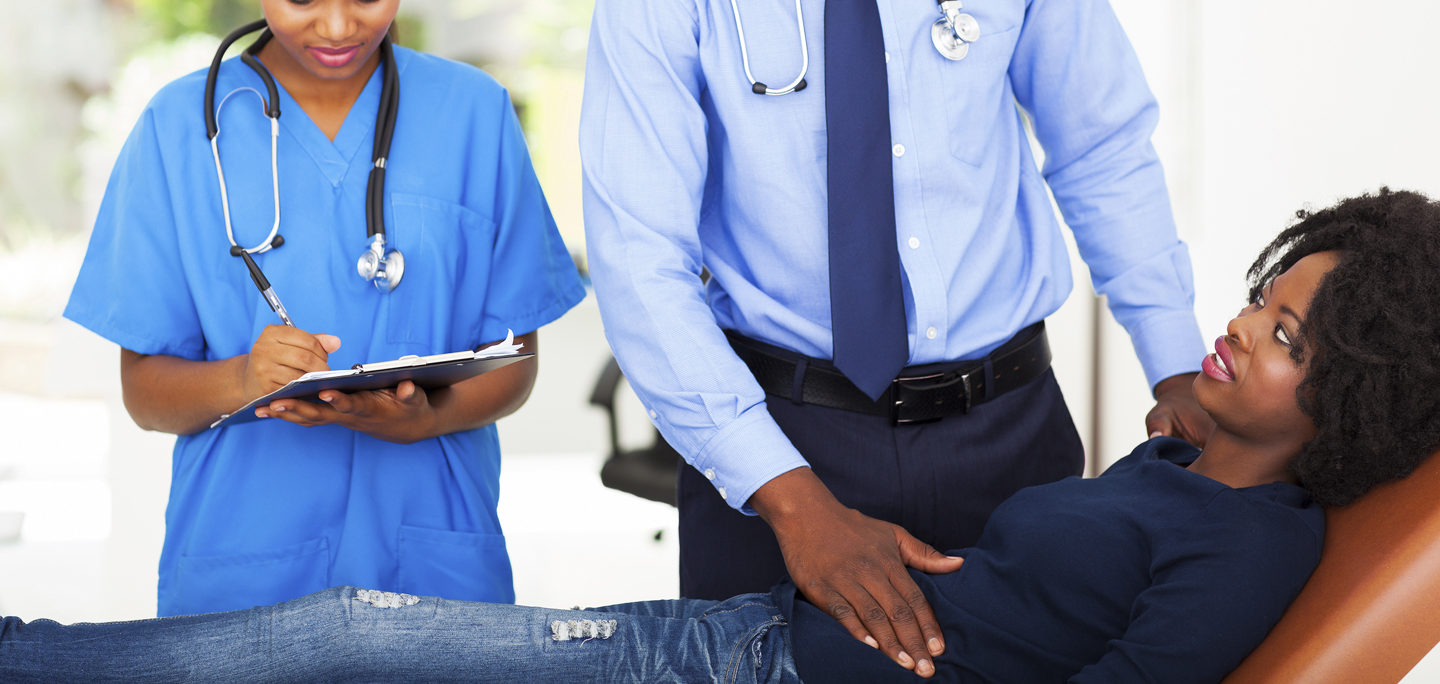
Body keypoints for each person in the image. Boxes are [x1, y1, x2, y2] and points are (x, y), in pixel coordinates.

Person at [8, 187, 1440, 683]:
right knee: (348, 641)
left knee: (346, 642)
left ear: (1360, 399)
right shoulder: (1189, 460)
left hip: (760, 668)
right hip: (752, 644)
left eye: (1290, 336)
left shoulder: (1245, 554)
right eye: (1265, 294)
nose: (1244, 324)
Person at [579, 0, 1211, 650]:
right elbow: (637, 259)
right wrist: (790, 499)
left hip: (1009, 431)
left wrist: (1176, 365)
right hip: (778, 434)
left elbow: (1098, 146)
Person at [62, 0, 585, 616]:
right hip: (241, 570)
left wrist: (421, 421)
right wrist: (240, 378)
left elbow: (516, 358)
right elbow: (145, 392)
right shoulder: (179, 130)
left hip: (434, 564)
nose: (339, 27)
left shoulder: (472, 115)